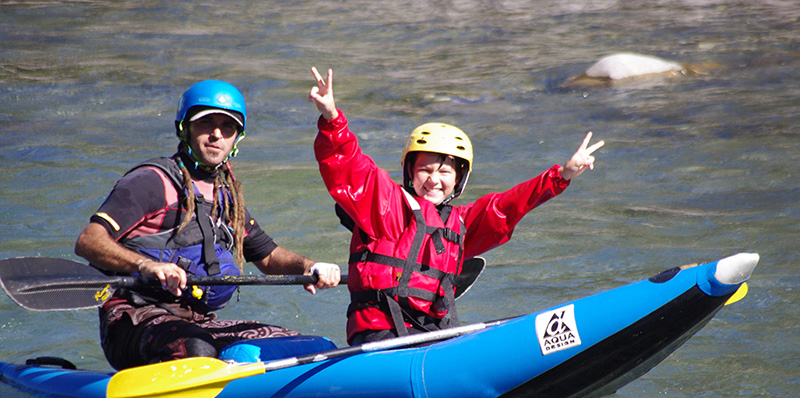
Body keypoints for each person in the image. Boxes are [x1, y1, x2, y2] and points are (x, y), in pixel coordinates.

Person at [309, 67, 603, 345]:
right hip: (381, 338)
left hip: (434, 337)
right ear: (410, 172)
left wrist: (561, 176)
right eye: (425, 169)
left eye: (445, 172)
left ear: (459, 180)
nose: (434, 180)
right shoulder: (386, 205)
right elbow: (349, 165)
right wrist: (332, 118)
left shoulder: (462, 224)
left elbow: (508, 206)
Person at [75, 79, 341, 370]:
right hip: (133, 319)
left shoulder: (226, 199)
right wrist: (146, 266)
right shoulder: (151, 182)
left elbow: (268, 256)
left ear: (236, 138)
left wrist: (311, 267)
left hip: (197, 321)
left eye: (227, 127)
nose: (217, 135)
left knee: (303, 347)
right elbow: (89, 241)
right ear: (184, 128)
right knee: (197, 349)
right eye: (206, 123)